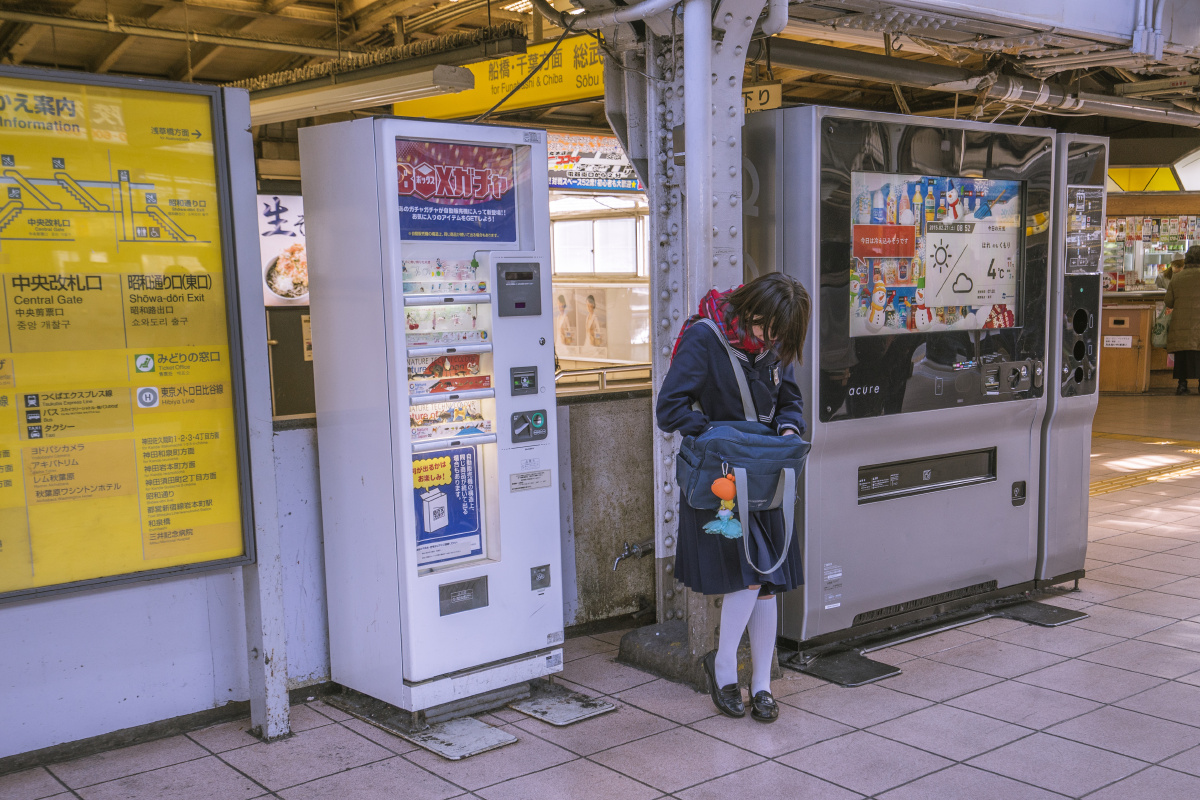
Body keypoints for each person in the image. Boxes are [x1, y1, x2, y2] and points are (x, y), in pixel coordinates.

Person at [656, 273, 810, 723]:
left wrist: (788, 428)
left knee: (767, 582)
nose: (771, 340)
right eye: (766, 328)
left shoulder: (774, 342)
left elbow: (790, 400)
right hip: (723, 480)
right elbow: (669, 408)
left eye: (780, 335)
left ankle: (760, 684)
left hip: (766, 474)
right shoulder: (706, 336)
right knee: (753, 579)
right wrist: (714, 434)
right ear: (750, 308)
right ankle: (724, 668)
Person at [1166, 246, 1200, 394]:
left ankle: (1182, 385)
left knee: (1182, 355)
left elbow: (1169, 301)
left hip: (1180, 323)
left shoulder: (1177, 277)